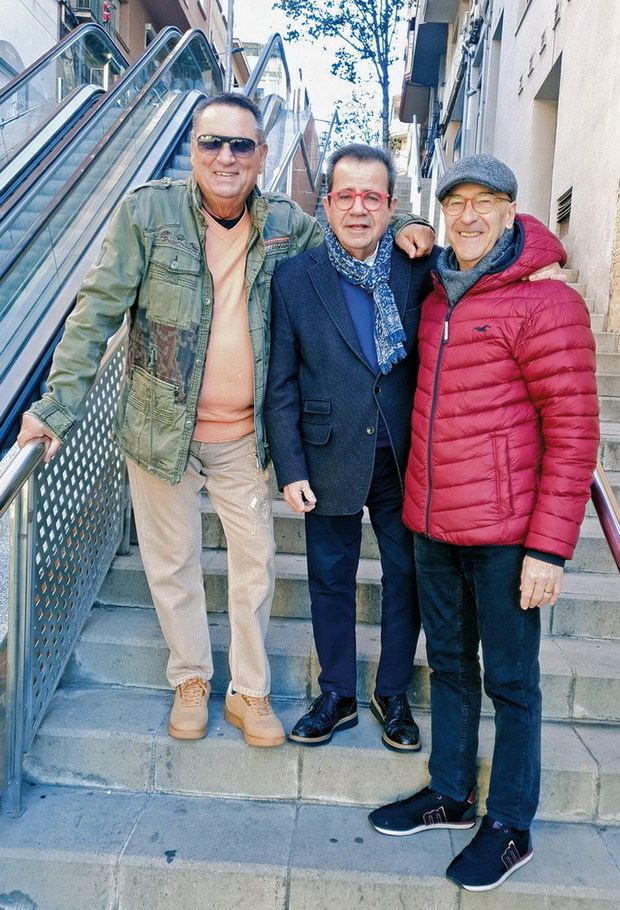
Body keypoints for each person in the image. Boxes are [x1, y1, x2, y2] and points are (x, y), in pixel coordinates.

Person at [16, 93, 435, 748]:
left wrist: (409, 218)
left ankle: (249, 691)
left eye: (242, 145)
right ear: (192, 148)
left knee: (256, 563)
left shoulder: (286, 224)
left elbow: (354, 227)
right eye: (213, 142)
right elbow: (96, 311)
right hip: (160, 430)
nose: (227, 157)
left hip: (243, 435)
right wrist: (55, 407)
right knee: (172, 562)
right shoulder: (146, 213)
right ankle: (190, 679)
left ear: (262, 156)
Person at [368, 154, 599, 891]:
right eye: (454, 202)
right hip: (433, 524)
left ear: (510, 211)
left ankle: (510, 825)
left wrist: (549, 550)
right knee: (453, 669)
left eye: (485, 202)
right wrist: (404, 223)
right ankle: (452, 793)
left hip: (507, 534)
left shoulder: (547, 304)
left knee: (512, 680)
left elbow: (574, 431)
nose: (467, 216)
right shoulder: (437, 291)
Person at [264, 143, 440, 749]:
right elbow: (281, 382)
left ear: (391, 205)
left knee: (406, 577)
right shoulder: (294, 278)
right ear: (328, 203)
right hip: (326, 453)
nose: (359, 208)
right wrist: (288, 465)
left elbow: (488, 255)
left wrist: (420, 229)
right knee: (330, 578)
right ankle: (336, 691)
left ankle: (391, 692)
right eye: (346, 195)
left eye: (373, 196)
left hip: (403, 454)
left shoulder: (420, 268)